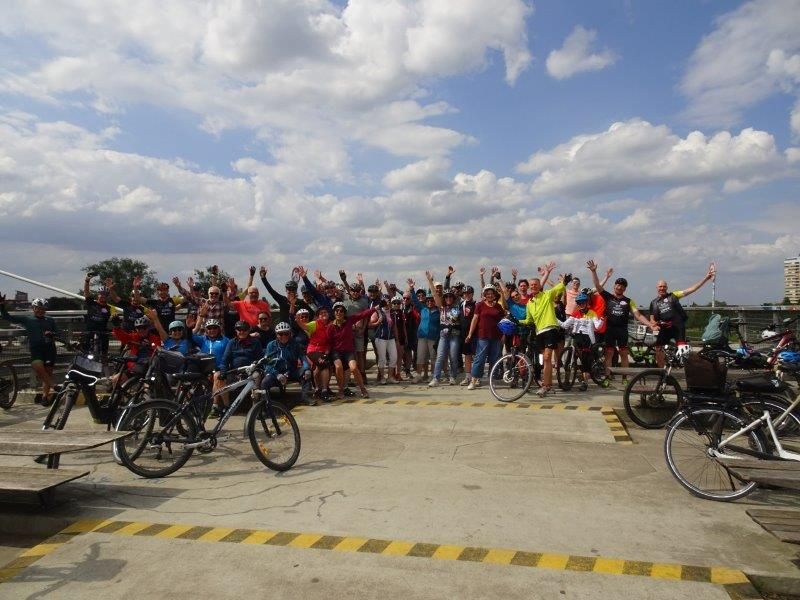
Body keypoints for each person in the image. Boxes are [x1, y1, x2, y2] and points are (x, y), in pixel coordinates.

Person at [586, 260, 653, 378]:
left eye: (622, 286)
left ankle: (625, 377)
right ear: (614, 286)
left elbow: (638, 315)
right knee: (609, 353)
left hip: (622, 330)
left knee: (624, 353)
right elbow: (597, 286)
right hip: (610, 329)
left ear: (625, 289)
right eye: (618, 284)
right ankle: (607, 377)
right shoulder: (608, 297)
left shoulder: (629, 301)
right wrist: (594, 271)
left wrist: (650, 324)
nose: (620, 287)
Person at [649, 263, 716, 367]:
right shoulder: (653, 302)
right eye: (660, 286)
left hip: (677, 326)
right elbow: (652, 319)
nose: (662, 288)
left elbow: (691, 289)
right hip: (664, 328)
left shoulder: (674, 295)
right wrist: (654, 324)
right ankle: (661, 372)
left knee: (683, 351)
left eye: (664, 286)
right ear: (657, 288)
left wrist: (706, 278)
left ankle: (688, 371)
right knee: (658, 349)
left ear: (666, 287)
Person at [518, 262, 567, 397]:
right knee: (545, 359)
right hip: (539, 332)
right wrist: (516, 321)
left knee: (546, 357)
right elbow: (528, 320)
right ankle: (549, 384)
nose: (533, 286)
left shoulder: (547, 295)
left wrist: (563, 282)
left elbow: (559, 288)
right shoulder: (529, 303)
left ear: (540, 286)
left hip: (550, 329)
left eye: (535, 285)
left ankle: (545, 386)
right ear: (529, 288)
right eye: (531, 285)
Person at [0, 295, 58, 404]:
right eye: (38, 308)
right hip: (36, 350)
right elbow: (7, 317)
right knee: (39, 368)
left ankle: (45, 397)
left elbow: (58, 332)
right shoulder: (28, 319)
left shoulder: (50, 320)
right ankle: (54, 386)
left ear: (45, 309)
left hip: (50, 349)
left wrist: (52, 334)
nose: (40, 311)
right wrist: (2, 306)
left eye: (42, 309)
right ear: (33, 308)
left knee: (48, 373)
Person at [328, 301, 376, 398]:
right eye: (337, 310)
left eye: (341, 311)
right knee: (338, 367)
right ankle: (341, 390)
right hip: (336, 352)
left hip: (348, 351)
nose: (339, 312)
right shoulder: (330, 326)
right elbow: (328, 341)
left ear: (344, 313)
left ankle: (363, 389)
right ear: (334, 312)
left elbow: (362, 314)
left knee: (354, 368)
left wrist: (375, 308)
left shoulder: (349, 321)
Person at [464, 282, 506, 390]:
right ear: (484, 294)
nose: (490, 295)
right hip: (483, 336)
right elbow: (475, 319)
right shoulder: (479, 305)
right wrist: (470, 334)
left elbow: (503, 320)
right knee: (479, 358)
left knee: (494, 358)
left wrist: (503, 335)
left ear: (495, 295)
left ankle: (491, 380)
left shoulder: (498, 306)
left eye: (492, 293)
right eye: (487, 293)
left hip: (496, 337)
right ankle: (474, 380)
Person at [217, 320, 264, 415]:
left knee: (257, 375)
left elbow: (260, 359)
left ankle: (255, 409)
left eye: (244, 329)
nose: (241, 332)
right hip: (235, 371)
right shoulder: (231, 343)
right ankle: (227, 407)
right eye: (239, 329)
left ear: (248, 330)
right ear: (236, 330)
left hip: (250, 371)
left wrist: (255, 367)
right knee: (218, 377)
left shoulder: (255, 342)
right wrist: (222, 371)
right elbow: (225, 360)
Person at [262, 322, 314, 406]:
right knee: (265, 382)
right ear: (276, 335)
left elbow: (302, 357)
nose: (283, 336)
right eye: (280, 334)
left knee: (305, 373)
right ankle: (266, 404)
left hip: (291, 371)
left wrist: (307, 368)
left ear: (290, 334)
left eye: (286, 334)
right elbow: (267, 364)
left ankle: (305, 397)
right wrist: (277, 374)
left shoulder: (295, 344)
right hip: (276, 372)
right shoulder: (271, 345)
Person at [560, 292, 604, 391]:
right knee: (568, 359)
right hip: (576, 337)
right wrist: (553, 319)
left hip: (587, 338)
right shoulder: (575, 313)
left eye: (583, 302)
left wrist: (601, 319)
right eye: (579, 302)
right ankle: (567, 380)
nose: (581, 304)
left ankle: (585, 382)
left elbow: (597, 327)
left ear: (587, 302)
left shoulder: (592, 313)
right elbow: (564, 325)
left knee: (585, 360)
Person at [428, 270, 462, 386]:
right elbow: (434, 293)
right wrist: (429, 280)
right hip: (443, 334)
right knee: (440, 356)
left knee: (453, 356)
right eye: (446, 296)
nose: (448, 298)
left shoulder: (457, 306)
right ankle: (436, 378)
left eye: (450, 296)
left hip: (454, 334)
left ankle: (453, 377)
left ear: (453, 298)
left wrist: (448, 277)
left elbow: (455, 320)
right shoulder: (441, 306)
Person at [408, 279, 440, 383]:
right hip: (422, 336)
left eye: (432, 301)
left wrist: (431, 282)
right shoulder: (423, 308)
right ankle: (418, 375)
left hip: (433, 337)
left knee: (433, 357)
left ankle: (433, 375)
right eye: (428, 301)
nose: (430, 302)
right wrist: (412, 289)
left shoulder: (439, 311)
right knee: (420, 356)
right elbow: (415, 300)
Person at [300, 306, 333, 401]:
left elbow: (330, 341)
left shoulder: (330, 325)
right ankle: (324, 391)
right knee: (324, 365)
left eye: (325, 312)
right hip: (313, 350)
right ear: (318, 316)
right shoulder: (315, 324)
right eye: (321, 313)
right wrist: (298, 321)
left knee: (320, 367)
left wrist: (327, 352)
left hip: (324, 350)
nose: (323, 314)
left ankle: (318, 389)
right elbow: (305, 326)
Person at [83, 273, 117, 357]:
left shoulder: (110, 307)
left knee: (104, 354)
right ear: (98, 294)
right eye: (101, 294)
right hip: (90, 331)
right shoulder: (92, 303)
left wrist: (114, 316)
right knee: (85, 352)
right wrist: (87, 281)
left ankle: (104, 365)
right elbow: (86, 292)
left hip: (102, 332)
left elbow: (114, 314)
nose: (103, 296)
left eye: (105, 294)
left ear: (108, 297)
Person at [371, 297, 399, 385]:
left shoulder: (392, 312)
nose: (387, 303)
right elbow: (370, 323)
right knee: (382, 359)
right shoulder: (378, 311)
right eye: (385, 302)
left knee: (394, 357)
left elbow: (394, 327)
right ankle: (382, 378)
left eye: (388, 301)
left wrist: (397, 339)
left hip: (391, 338)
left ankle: (390, 377)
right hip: (380, 338)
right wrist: (377, 323)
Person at [458, 285, 477, 385]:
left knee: (477, 356)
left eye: (469, 293)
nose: (467, 295)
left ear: (472, 294)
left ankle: (476, 377)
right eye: (465, 293)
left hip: (474, 334)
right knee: (467, 356)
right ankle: (468, 377)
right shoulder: (461, 304)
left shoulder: (476, 304)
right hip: (463, 334)